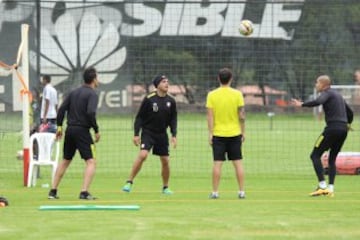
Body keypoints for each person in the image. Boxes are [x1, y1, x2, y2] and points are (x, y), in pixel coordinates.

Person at [291, 75, 353, 197]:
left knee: (314, 155)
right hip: (343, 130)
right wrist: (348, 124)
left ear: (324, 85)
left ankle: (322, 186)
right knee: (332, 159)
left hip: (332, 129)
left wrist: (302, 104)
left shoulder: (327, 93)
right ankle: (330, 188)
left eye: (317, 83)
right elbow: (350, 112)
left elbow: (319, 101)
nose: (316, 85)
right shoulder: (338, 95)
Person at [48, 67, 100, 200]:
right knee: (91, 161)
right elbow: (90, 113)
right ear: (94, 79)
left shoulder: (73, 92)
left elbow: (61, 110)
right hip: (82, 131)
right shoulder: (92, 94)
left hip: (70, 130)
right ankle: (84, 192)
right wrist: (96, 130)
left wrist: (59, 127)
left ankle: (53, 191)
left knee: (65, 160)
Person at [122, 74, 177, 194]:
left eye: (167, 81)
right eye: (163, 82)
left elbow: (173, 119)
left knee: (165, 160)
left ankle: (165, 187)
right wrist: (136, 134)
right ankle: (129, 182)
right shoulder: (149, 99)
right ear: (157, 85)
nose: (167, 84)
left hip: (162, 134)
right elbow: (139, 118)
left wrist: (174, 135)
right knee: (143, 155)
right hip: (148, 132)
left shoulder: (171, 101)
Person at [206, 68, 246, 199]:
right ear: (231, 79)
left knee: (217, 163)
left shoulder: (211, 95)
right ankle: (241, 192)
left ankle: (215, 192)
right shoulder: (238, 94)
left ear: (218, 78)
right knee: (238, 163)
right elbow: (241, 115)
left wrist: (211, 133)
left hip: (218, 134)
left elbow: (210, 116)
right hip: (235, 133)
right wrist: (243, 131)